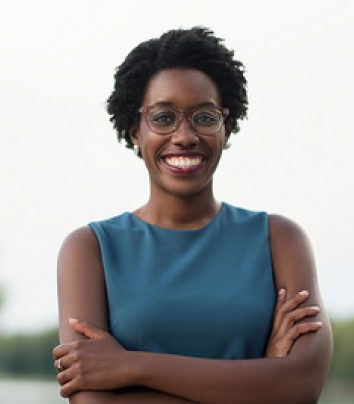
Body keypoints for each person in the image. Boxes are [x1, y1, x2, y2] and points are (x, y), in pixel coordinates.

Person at [54, 27, 332, 403]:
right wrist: (262, 379)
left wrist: (132, 366)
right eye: (164, 118)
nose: (184, 135)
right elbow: (93, 401)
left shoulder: (279, 239)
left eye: (204, 116)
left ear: (227, 126)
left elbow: (301, 386)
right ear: (135, 130)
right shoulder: (90, 248)